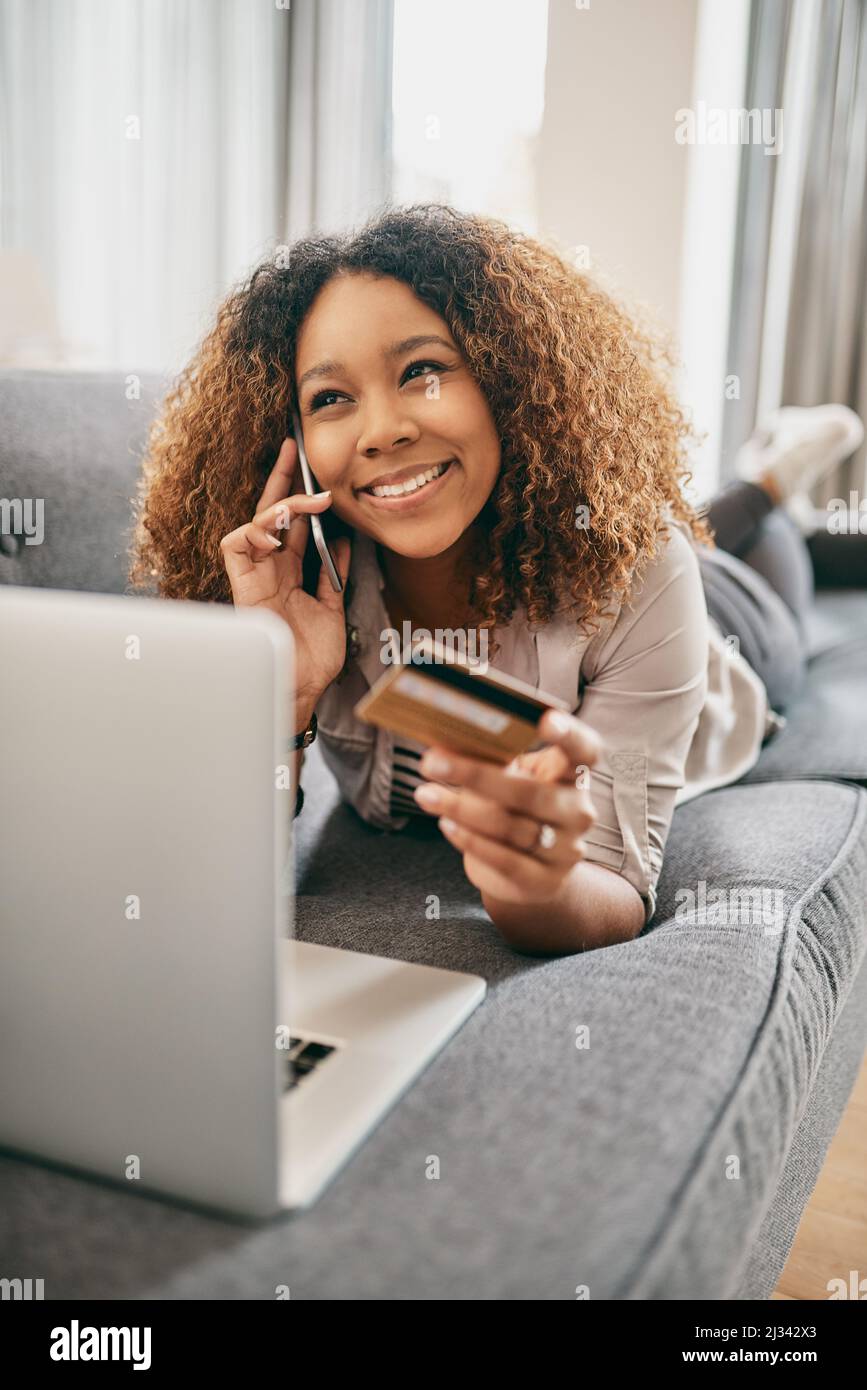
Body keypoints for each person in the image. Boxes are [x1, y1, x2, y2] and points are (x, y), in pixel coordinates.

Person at [129, 203, 864, 956]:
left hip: (730, 644)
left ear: (506, 382)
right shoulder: (297, 582)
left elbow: (612, 885)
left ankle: (771, 483)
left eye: (422, 371)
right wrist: (284, 691)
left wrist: (534, 888)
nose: (381, 430)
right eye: (331, 398)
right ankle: (765, 485)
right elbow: (222, 877)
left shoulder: (639, 565)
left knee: (754, 557)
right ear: (293, 441)